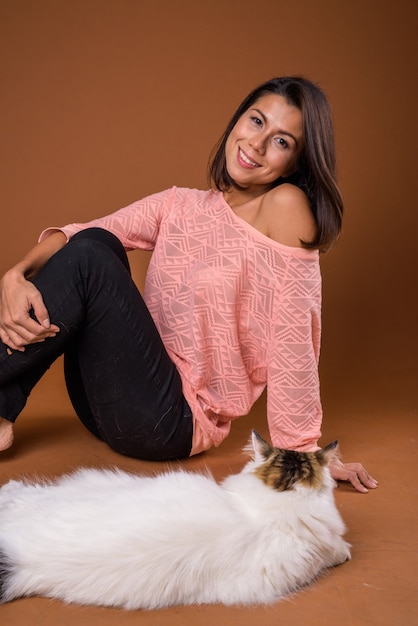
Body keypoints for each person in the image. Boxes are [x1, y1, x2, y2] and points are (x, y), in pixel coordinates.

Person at [0, 76, 377, 493]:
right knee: (96, 243)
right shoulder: (181, 204)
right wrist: (15, 275)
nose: (257, 144)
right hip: (107, 401)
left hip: (171, 420)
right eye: (256, 122)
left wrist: (302, 453)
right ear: (238, 121)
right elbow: (81, 234)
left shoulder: (286, 208)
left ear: (296, 163)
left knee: (92, 257)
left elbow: (294, 336)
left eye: (282, 141)